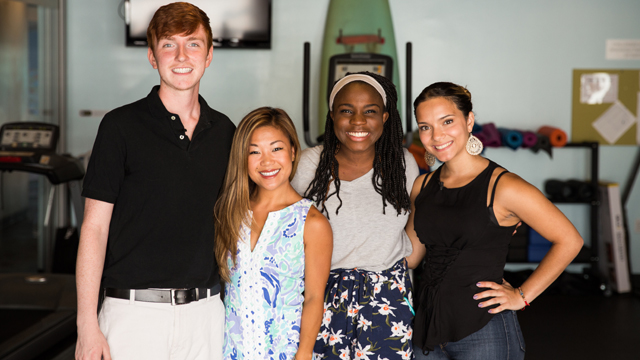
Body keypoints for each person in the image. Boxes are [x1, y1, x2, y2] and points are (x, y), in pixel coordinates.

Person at [75, 3, 235, 359]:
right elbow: (94, 228)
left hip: (206, 317)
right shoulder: (120, 127)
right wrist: (86, 324)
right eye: (168, 45)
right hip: (132, 317)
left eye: (193, 44)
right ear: (152, 56)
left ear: (209, 55)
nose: (181, 56)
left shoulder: (225, 132)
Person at [405, 82, 584, 359]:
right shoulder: (422, 186)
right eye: (425, 126)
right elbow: (412, 257)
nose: (436, 135)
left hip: (484, 331)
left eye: (447, 121)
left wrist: (522, 296)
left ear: (469, 121)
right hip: (427, 327)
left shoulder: (504, 187)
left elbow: (570, 240)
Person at [291, 72, 420, 359]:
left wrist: (404, 260)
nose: (358, 121)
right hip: (321, 297)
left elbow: (418, 220)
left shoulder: (402, 164)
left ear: (385, 117)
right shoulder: (308, 165)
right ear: (332, 115)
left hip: (387, 300)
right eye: (346, 111)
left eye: (370, 112)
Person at [215, 107, 332, 360]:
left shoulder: (311, 222)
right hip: (230, 352)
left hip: (284, 353)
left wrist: (303, 355)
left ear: (292, 151)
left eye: (276, 149)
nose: (266, 161)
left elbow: (313, 298)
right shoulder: (229, 213)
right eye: (254, 152)